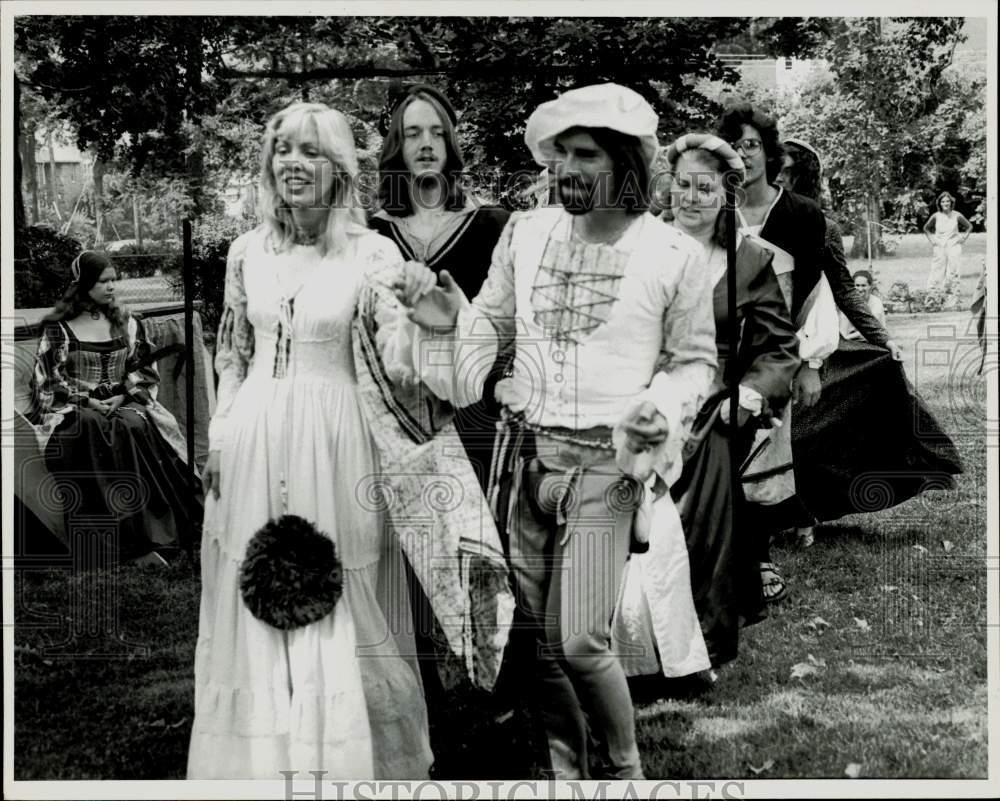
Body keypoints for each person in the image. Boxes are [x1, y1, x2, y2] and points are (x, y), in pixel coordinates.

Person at [394, 83, 718, 780]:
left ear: (626, 164)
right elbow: (492, 328)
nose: (567, 169)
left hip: (608, 466)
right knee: (538, 642)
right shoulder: (526, 231)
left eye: (586, 154)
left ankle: (624, 767)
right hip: (527, 459)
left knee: (579, 637)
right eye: (560, 154)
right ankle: (568, 771)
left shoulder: (672, 254)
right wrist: (452, 321)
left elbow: (696, 363)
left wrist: (660, 403)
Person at [188, 102, 447, 780]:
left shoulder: (373, 253)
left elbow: (400, 361)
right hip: (252, 442)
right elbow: (232, 354)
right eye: (281, 151)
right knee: (258, 589)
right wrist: (219, 435)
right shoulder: (246, 252)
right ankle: (262, 758)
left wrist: (427, 318)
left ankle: (347, 756)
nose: (292, 165)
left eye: (308, 152)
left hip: (339, 444)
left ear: (338, 168)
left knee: (341, 586)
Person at [368, 83, 518, 776]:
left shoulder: (490, 224)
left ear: (452, 142)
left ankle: (504, 689)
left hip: (476, 413)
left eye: (436, 131)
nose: (424, 143)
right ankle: (426, 700)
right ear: (394, 147)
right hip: (404, 421)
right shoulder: (371, 235)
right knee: (411, 557)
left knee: (482, 554)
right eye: (410, 133)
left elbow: (509, 326)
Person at [614, 134, 800, 679]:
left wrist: (751, 393)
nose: (691, 198)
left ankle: (699, 654)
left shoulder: (746, 261)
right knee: (633, 528)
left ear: (727, 195)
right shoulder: (640, 246)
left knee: (698, 535)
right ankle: (632, 653)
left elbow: (779, 346)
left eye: (705, 188)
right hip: (641, 406)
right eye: (683, 186)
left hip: (710, 412)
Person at [717, 102, 839, 603]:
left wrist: (810, 364)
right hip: (721, 346)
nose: (744, 155)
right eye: (735, 146)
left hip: (776, 349)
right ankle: (721, 554)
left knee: (765, 450)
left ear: (769, 153)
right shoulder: (713, 211)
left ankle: (760, 555)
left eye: (751, 145)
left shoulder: (801, 215)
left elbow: (814, 290)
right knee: (718, 449)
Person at [31, 250, 198, 567]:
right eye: (103, 281)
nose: (111, 287)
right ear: (83, 285)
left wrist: (122, 395)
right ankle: (114, 542)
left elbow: (143, 368)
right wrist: (87, 399)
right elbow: (47, 380)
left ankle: (149, 534)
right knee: (94, 425)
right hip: (73, 408)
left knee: (131, 425)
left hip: (123, 401)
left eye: (113, 281)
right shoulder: (60, 328)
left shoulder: (127, 322)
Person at [923, 191, 972, 292]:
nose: (945, 203)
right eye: (943, 201)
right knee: (937, 270)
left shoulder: (957, 215)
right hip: (940, 246)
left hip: (954, 246)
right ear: (939, 203)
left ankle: (952, 295)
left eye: (947, 201)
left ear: (951, 202)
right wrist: (932, 240)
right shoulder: (936, 216)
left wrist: (963, 238)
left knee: (953, 271)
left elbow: (969, 226)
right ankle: (934, 294)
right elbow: (926, 228)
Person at [839, 270, 886, 340]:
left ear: (870, 286)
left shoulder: (876, 303)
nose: (860, 289)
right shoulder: (849, 301)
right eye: (857, 285)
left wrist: (846, 338)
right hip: (852, 338)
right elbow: (843, 328)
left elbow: (873, 328)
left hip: (874, 337)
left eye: (863, 285)